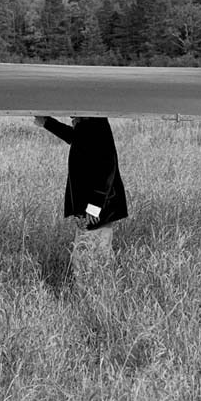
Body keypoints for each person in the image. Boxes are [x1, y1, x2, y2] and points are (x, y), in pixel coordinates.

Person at [33, 115, 128, 279]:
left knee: (92, 254)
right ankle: (93, 292)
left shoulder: (96, 123)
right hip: (91, 206)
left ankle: (95, 293)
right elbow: (76, 139)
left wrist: (95, 205)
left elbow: (107, 164)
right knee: (88, 252)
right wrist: (48, 123)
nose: (71, 115)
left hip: (97, 208)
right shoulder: (89, 124)